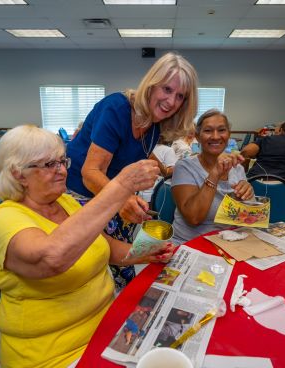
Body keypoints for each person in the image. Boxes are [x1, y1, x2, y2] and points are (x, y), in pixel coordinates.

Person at [0, 125, 174, 368]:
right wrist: (121, 186)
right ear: (19, 174)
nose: (62, 171)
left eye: (63, 161)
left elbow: (105, 247)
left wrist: (148, 253)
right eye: (50, 164)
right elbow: (52, 258)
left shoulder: (66, 202)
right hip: (53, 353)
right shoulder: (2, 218)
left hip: (106, 326)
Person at [66, 52, 198, 289]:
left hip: (111, 193)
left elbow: (138, 152)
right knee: (97, 266)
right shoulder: (116, 108)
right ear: (151, 85)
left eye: (180, 96)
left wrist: (163, 170)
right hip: (79, 193)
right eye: (167, 90)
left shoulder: (154, 125)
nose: (171, 102)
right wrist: (123, 198)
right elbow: (91, 172)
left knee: (126, 266)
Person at [171, 109, 254, 243]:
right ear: (197, 136)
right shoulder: (184, 167)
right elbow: (194, 218)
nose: (215, 136)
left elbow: (245, 218)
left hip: (227, 242)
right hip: (190, 244)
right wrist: (215, 173)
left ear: (228, 135)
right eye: (208, 131)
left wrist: (245, 196)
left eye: (221, 130)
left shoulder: (237, 168)